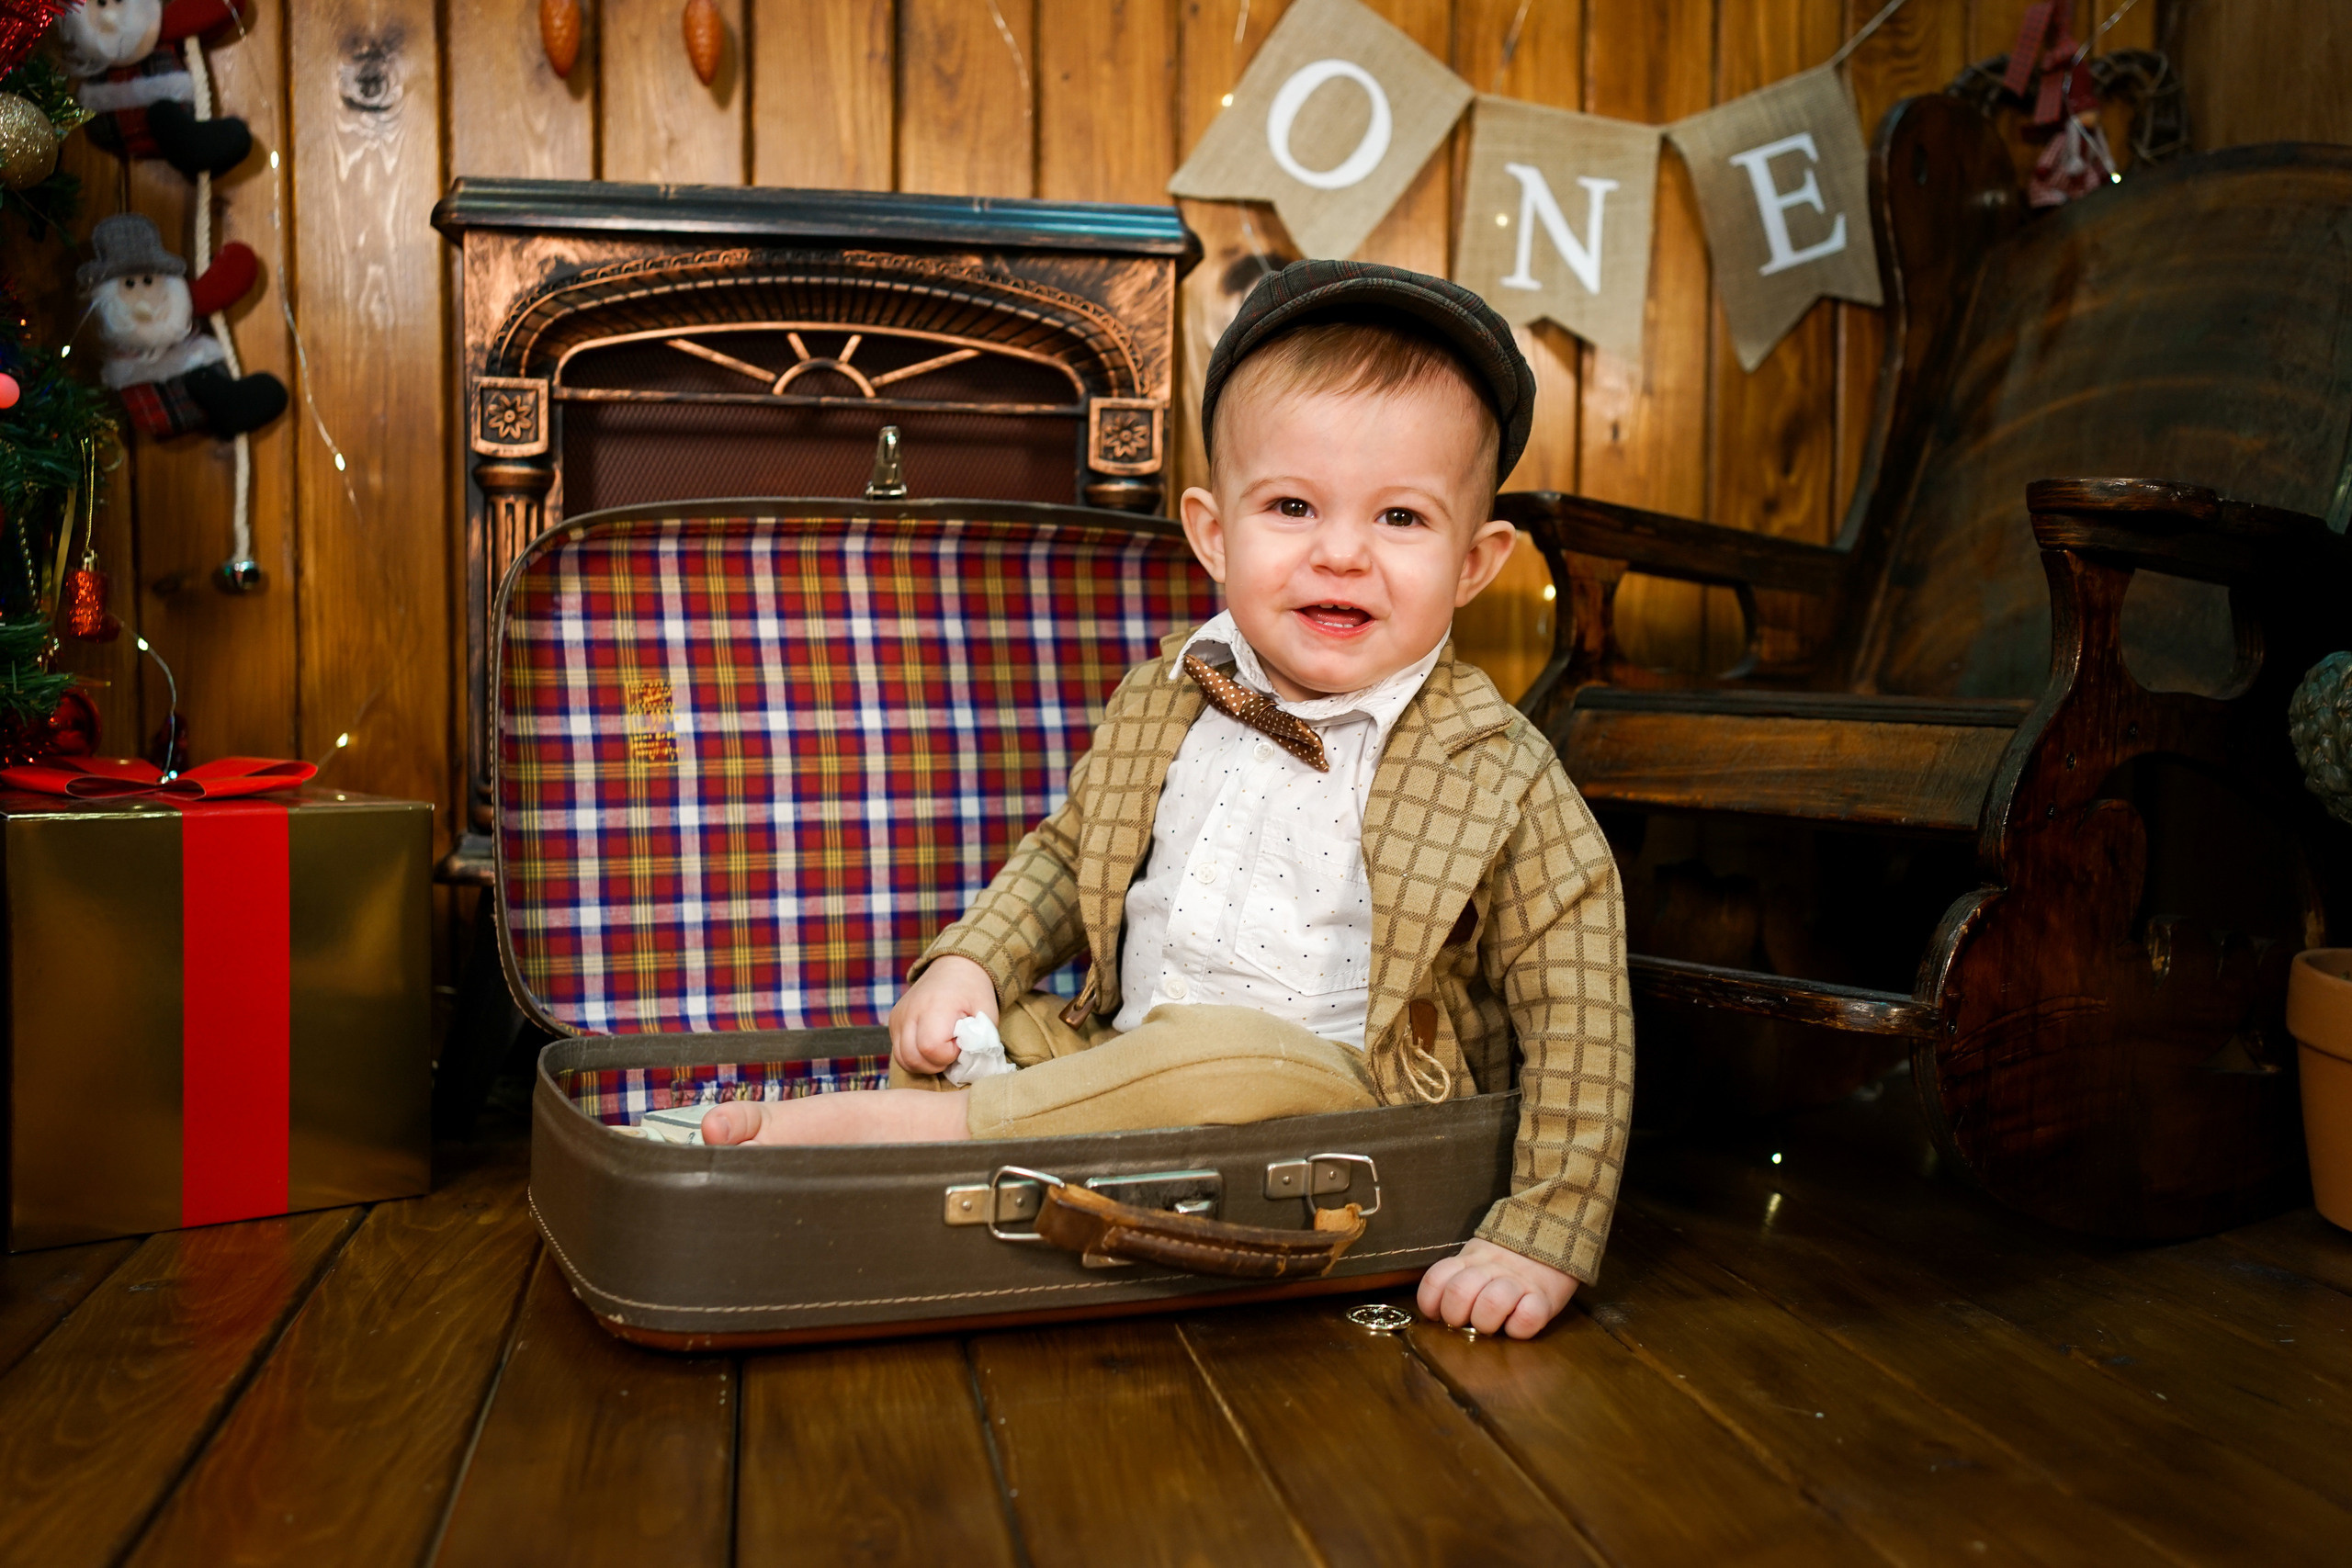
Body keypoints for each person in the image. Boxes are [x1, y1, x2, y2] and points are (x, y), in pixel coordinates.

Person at [702, 260, 1633, 1340]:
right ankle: (917, 1176)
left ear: (1474, 563)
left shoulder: (1499, 771)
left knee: (1221, 1059)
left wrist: (1541, 1229)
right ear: (1212, 532)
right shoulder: (1168, 695)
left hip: (1340, 1093)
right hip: (1118, 1054)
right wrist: (972, 961)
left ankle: (907, 1140)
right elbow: (1067, 853)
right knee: (953, 1027)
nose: (1341, 551)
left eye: (1400, 518)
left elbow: (1582, 1013)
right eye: (1291, 506)